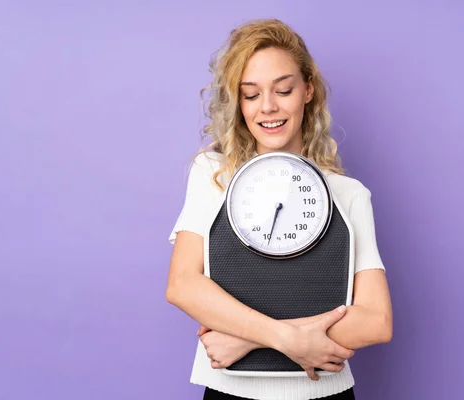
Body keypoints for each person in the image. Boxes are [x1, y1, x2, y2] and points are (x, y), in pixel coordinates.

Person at [166, 19, 393, 400]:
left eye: (283, 90)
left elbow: (376, 321)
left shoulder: (348, 194)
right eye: (251, 95)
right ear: (237, 103)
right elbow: (183, 285)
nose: (268, 107)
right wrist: (288, 338)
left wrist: (248, 342)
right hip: (229, 391)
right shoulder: (214, 174)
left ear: (307, 89)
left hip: (323, 393)